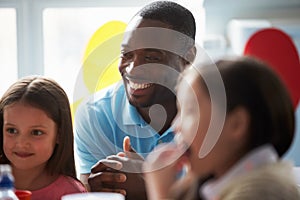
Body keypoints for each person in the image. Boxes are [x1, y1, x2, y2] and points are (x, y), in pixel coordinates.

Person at [74, 1, 196, 199]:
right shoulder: (95, 116)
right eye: (126, 55)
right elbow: (92, 193)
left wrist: (149, 185)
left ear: (187, 58)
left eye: (151, 57)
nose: (132, 70)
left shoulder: (214, 117)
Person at [143, 57, 300, 199]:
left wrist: (160, 193)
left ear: (237, 125)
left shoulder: (262, 193)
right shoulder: (220, 184)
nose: (175, 126)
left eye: (190, 110)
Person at [0, 76, 87, 200]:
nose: (21, 143)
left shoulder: (71, 193)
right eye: (12, 130)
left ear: (59, 135)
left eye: (36, 132)